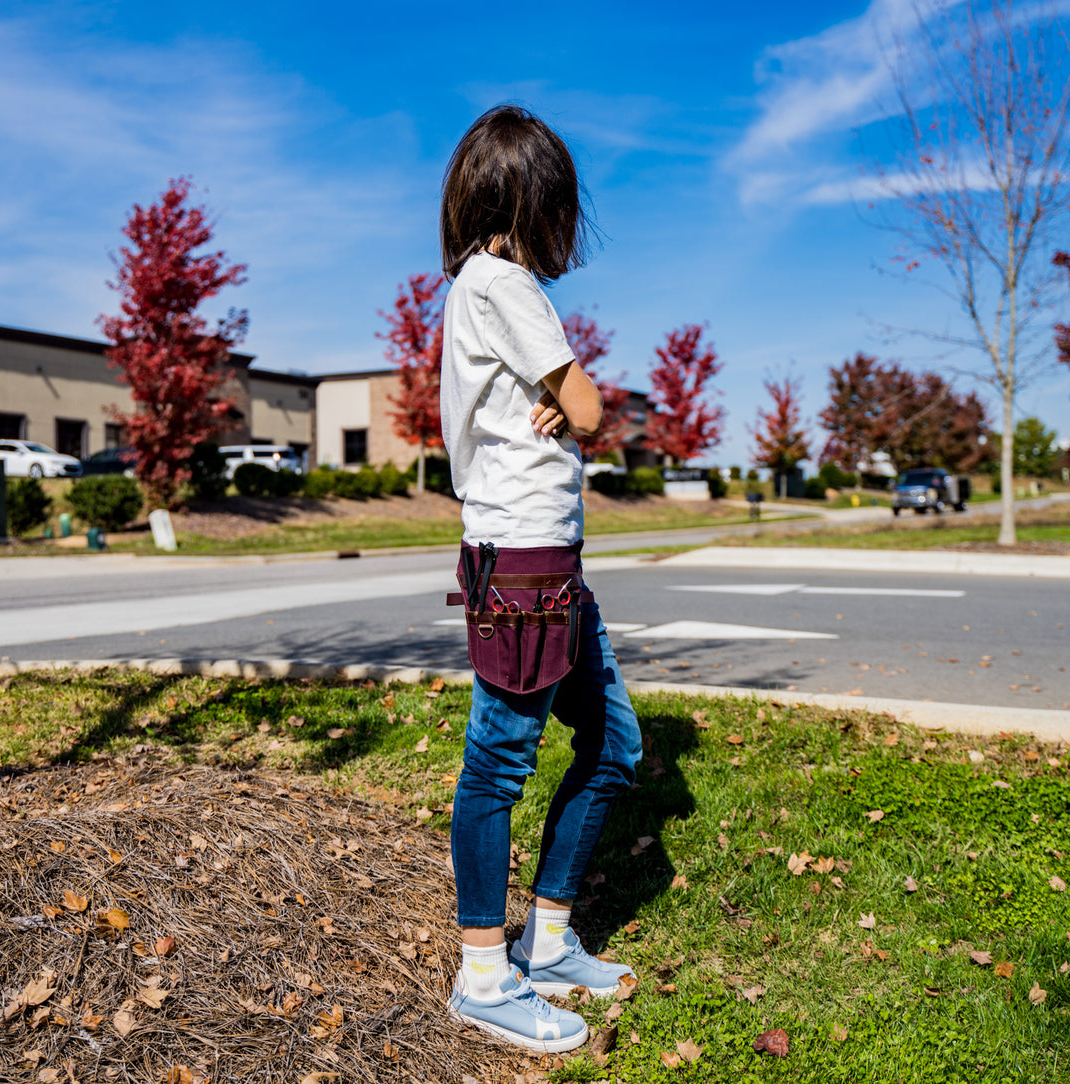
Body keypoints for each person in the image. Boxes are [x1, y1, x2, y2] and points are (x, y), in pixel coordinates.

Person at [438, 104, 642, 1053]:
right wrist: (573, 396)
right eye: (561, 202)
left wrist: (559, 397)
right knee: (498, 764)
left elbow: (566, 405)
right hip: (520, 561)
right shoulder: (501, 280)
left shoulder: (480, 288)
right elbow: (593, 407)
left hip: (540, 559)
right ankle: (485, 976)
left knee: (611, 742)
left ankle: (548, 942)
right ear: (535, 201)